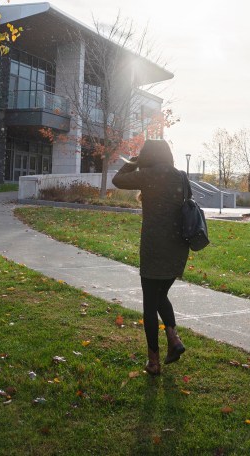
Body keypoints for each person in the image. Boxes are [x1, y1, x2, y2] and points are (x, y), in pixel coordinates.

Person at [112, 139, 188, 375]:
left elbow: (117, 180)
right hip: (178, 246)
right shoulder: (180, 176)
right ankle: (173, 339)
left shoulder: (146, 174)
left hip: (154, 245)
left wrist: (133, 163)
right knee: (161, 295)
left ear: (147, 156)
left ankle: (153, 362)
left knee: (150, 301)